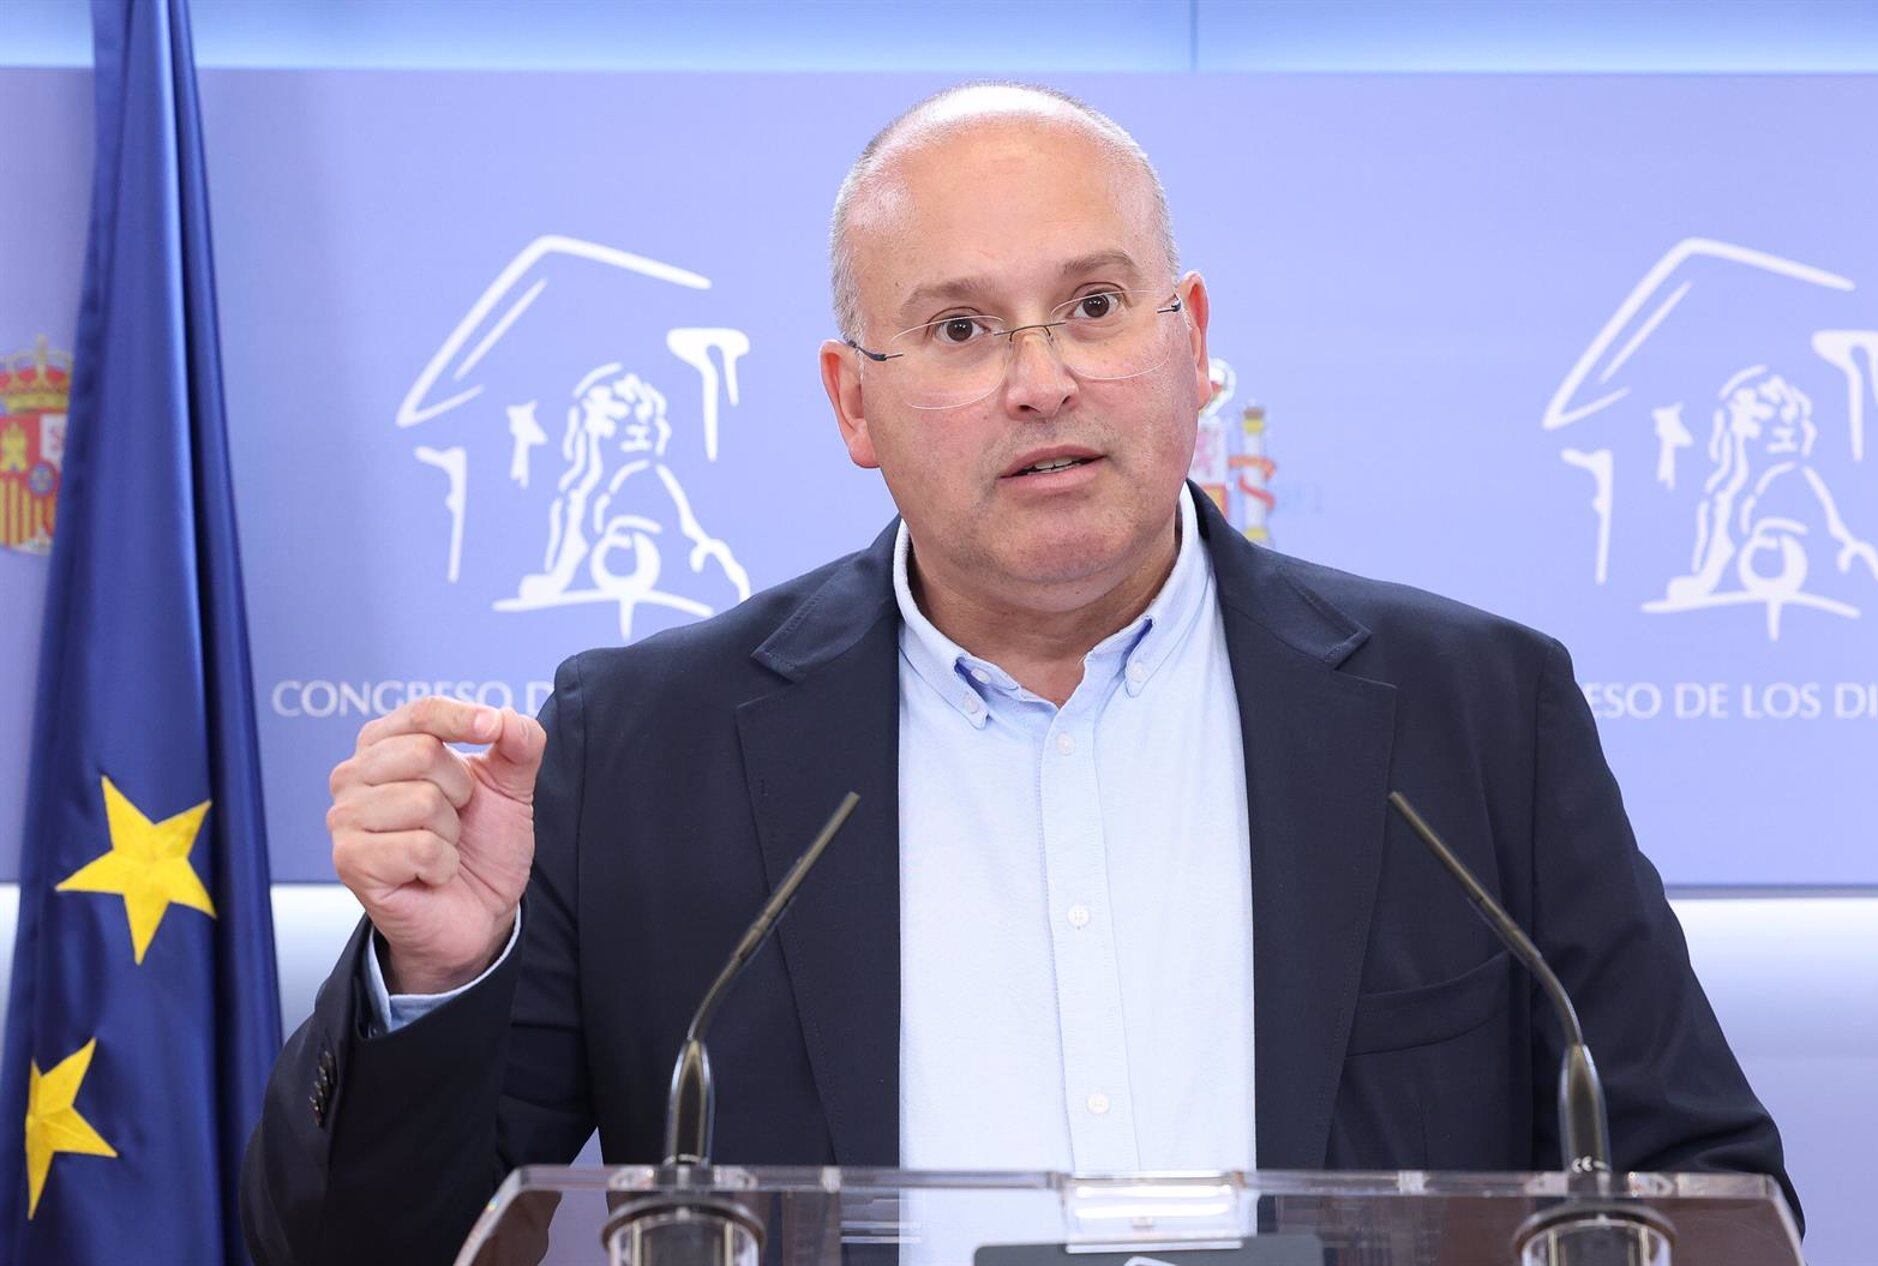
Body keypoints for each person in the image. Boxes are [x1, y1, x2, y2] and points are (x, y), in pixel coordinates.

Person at [241, 82, 1797, 1265]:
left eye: (1097, 306)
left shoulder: (1473, 717)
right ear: (856, 402)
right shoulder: (646, 745)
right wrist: (444, 977)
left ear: (1193, 343)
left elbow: (1714, 1190)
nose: (1044, 378)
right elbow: (356, 1245)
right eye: (963, 327)